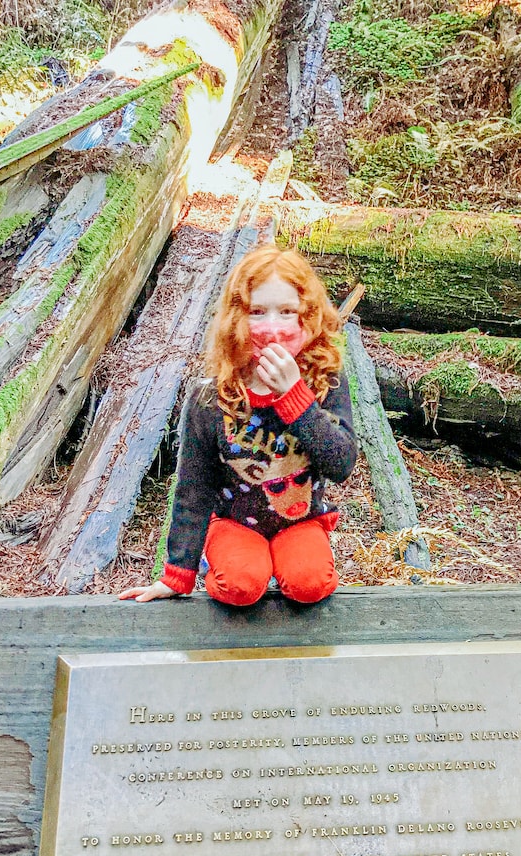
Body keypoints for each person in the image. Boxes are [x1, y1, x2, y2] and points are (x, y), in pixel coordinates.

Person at [119, 244, 357, 607]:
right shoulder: (212, 397)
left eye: (287, 312)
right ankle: (223, 559)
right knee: (241, 586)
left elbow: (341, 464)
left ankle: (287, 558)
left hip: (300, 521)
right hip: (235, 523)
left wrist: (295, 396)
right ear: (236, 319)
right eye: (258, 312)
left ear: (308, 318)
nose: (273, 327)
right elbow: (194, 487)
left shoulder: (325, 381)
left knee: (310, 583)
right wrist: (177, 575)